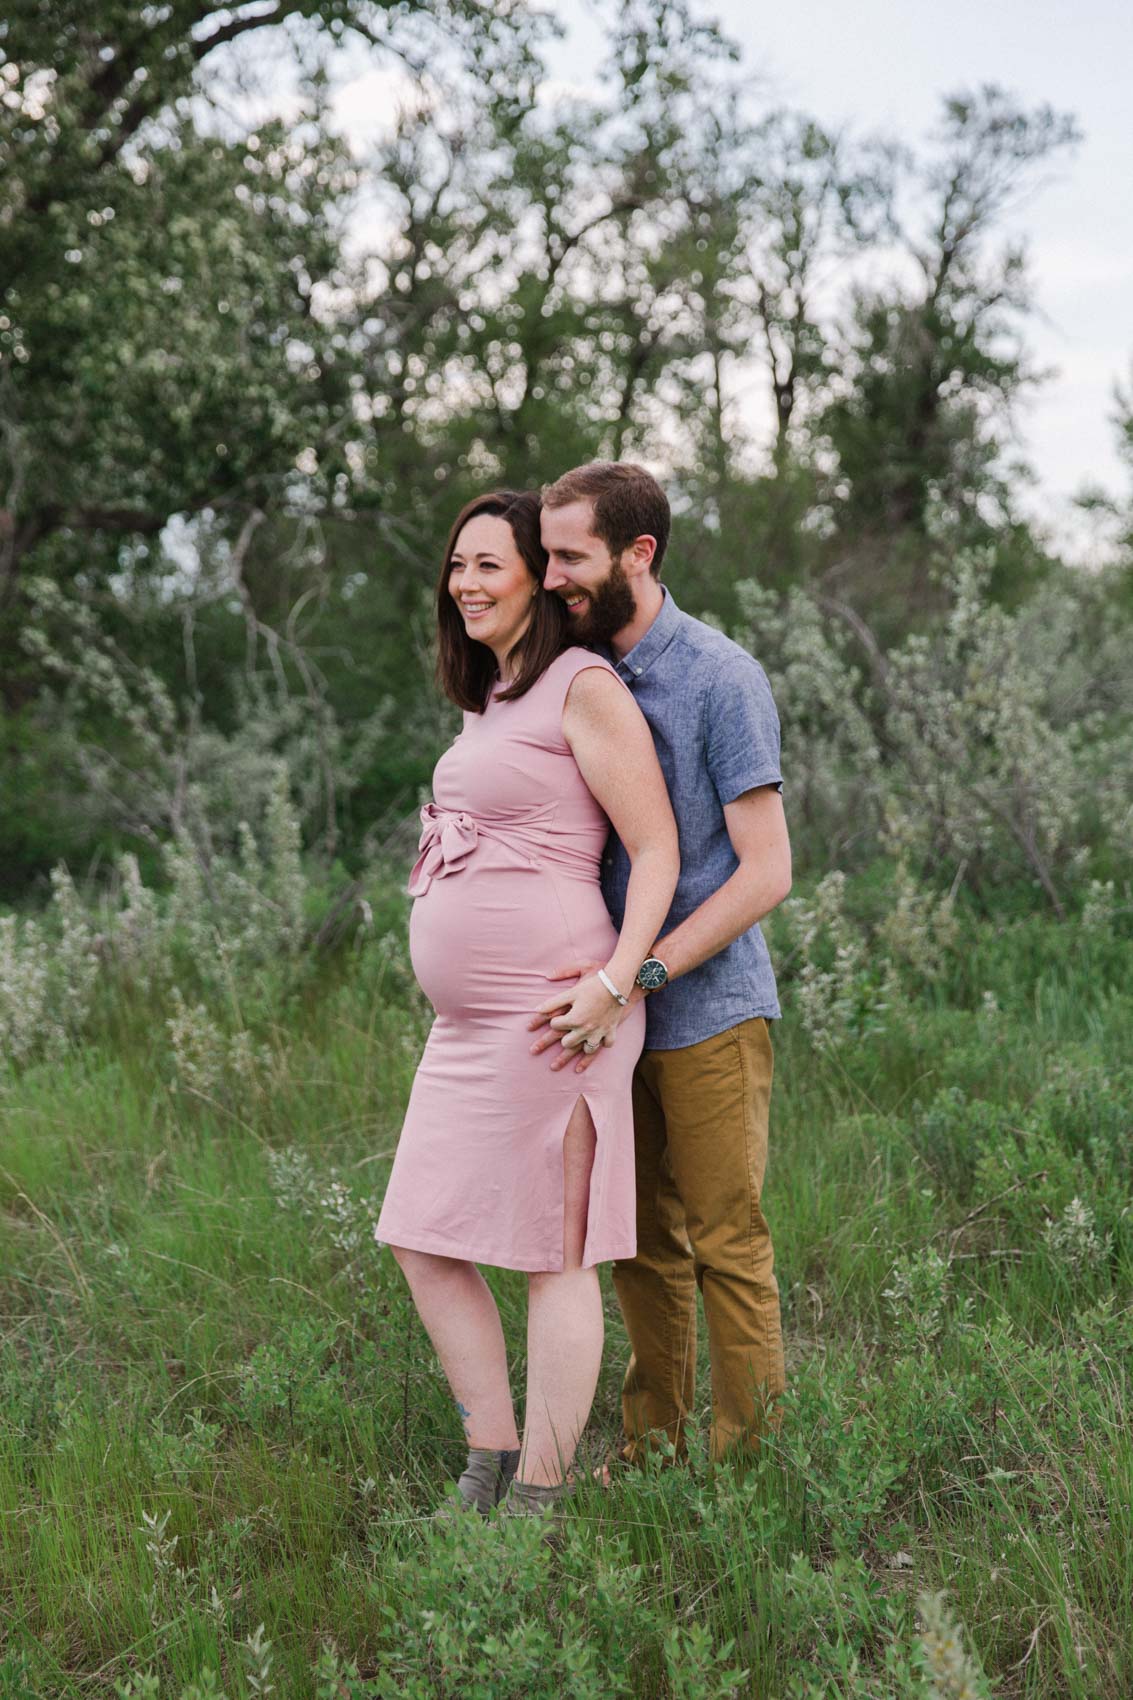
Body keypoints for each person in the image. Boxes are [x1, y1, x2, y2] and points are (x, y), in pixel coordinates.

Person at [375, 489, 679, 1528]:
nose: (465, 582)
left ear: (538, 579)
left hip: (562, 1014)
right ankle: (485, 1458)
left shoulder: (579, 685)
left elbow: (655, 851)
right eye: (455, 564)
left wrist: (617, 980)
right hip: (466, 1028)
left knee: (554, 1254)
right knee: (422, 1234)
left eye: (488, 565)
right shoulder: (491, 696)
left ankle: (538, 1497)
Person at [530, 461, 792, 1469]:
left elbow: (764, 870)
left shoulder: (720, 678)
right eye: (545, 554)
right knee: (635, 1240)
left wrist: (639, 974)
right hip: (606, 1016)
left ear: (637, 554)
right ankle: (653, 1448)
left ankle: (749, 1464)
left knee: (725, 1238)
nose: (550, 576)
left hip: (704, 1006)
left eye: (569, 556)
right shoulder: (571, 673)